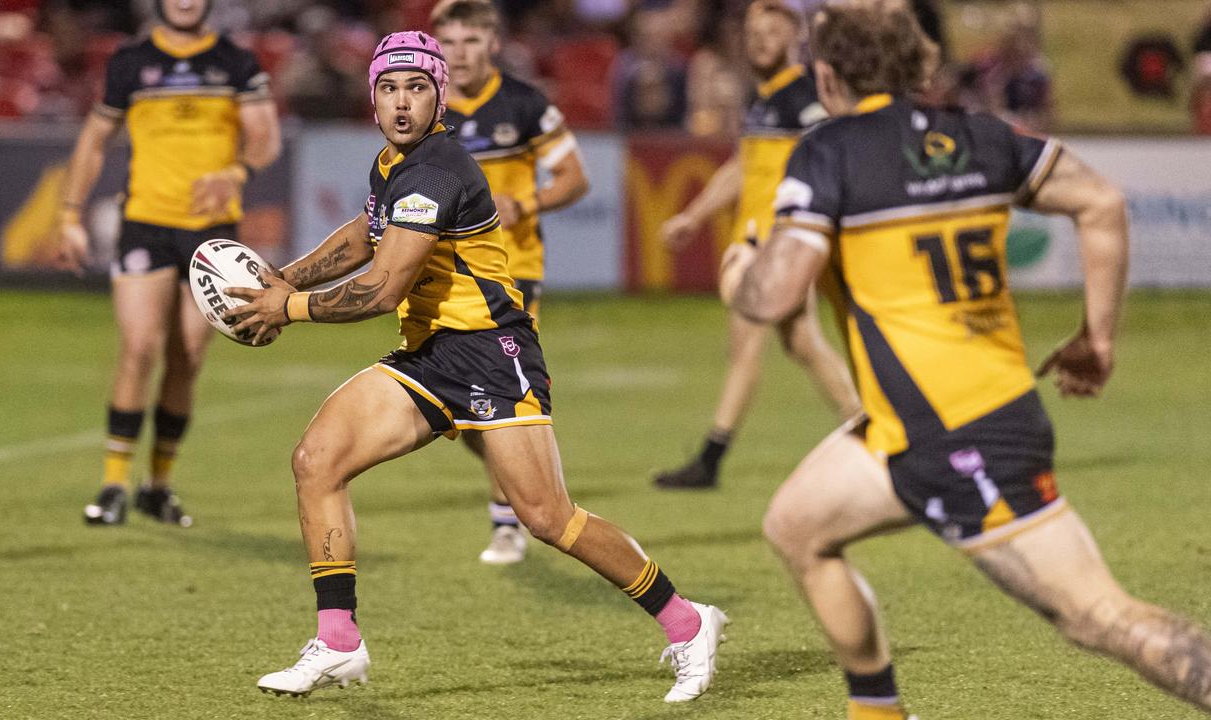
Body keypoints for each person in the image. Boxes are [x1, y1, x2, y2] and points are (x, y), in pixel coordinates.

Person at [725, 5, 1211, 718]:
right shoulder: (980, 137)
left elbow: (773, 296)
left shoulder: (829, 152)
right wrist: (1097, 339)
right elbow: (1101, 201)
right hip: (918, 425)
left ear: (826, 76)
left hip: (961, 439)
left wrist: (741, 268)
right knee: (797, 527)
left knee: (1097, 617)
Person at [223, 31, 727, 702]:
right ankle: (339, 640)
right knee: (317, 460)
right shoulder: (392, 163)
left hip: (492, 353)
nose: (402, 103)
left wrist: (288, 309)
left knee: (548, 518)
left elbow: (382, 288)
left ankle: (688, 622)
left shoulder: (437, 170)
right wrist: (280, 279)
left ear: (440, 96)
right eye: (389, 89)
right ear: (373, 98)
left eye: (417, 88)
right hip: (430, 355)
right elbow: (360, 234)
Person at [57, 0, 281, 527]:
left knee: (187, 360)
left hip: (212, 231)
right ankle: (114, 483)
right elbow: (94, 140)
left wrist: (237, 171)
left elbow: (265, 139)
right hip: (145, 222)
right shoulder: (129, 62)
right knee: (138, 347)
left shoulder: (237, 63)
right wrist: (69, 213)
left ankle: (158, 485)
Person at [654, 0, 860, 490]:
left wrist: (798, 234)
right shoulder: (766, 99)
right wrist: (694, 215)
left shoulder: (805, 98)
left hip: (782, 240)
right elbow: (743, 166)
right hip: (764, 237)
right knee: (802, 342)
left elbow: (834, 158)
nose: (760, 40)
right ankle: (867, 428)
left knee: (749, 338)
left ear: (795, 38)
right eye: (753, 32)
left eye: (772, 31)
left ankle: (711, 457)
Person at [433, 0, 590, 566]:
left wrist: (525, 202)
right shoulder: (428, 106)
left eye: (471, 41)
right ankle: (529, 472)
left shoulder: (525, 104)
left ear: (492, 43)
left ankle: (507, 525)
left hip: (509, 273)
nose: (461, 54)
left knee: (499, 393)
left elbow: (575, 178)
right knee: (461, 411)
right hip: (440, 276)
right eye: (449, 43)